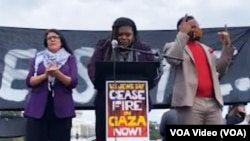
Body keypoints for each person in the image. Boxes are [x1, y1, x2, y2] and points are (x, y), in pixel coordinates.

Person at [87, 17, 159, 141]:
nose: (124, 38)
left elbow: (154, 73)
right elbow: (93, 68)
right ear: (114, 34)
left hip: (136, 105)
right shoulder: (104, 47)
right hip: (106, 104)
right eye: (120, 34)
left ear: (134, 35)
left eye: (128, 34)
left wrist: (147, 85)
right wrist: (102, 84)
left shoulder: (143, 48)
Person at [163, 14, 235, 125]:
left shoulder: (206, 49)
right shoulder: (172, 46)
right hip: (191, 102)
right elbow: (174, 59)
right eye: (192, 26)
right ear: (182, 28)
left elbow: (221, 68)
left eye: (198, 26)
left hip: (212, 101)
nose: (197, 29)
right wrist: (182, 34)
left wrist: (226, 46)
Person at [24, 29, 78, 141]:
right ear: (46, 42)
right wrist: (45, 75)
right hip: (37, 107)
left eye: (55, 37)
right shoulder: (38, 58)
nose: (52, 39)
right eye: (49, 38)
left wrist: (57, 74)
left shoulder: (69, 58)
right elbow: (29, 81)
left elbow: (73, 82)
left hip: (62, 107)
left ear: (61, 41)